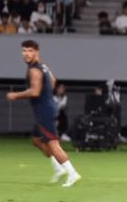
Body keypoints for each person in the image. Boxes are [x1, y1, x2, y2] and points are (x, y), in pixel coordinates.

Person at [5, 40, 81, 187]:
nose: (26, 54)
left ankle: (72, 173)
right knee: (37, 140)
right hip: (46, 108)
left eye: (30, 51)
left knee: (53, 144)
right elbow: (53, 82)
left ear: (36, 52)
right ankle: (59, 169)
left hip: (45, 111)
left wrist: (15, 95)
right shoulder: (43, 67)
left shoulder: (34, 70)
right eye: (24, 51)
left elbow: (35, 91)